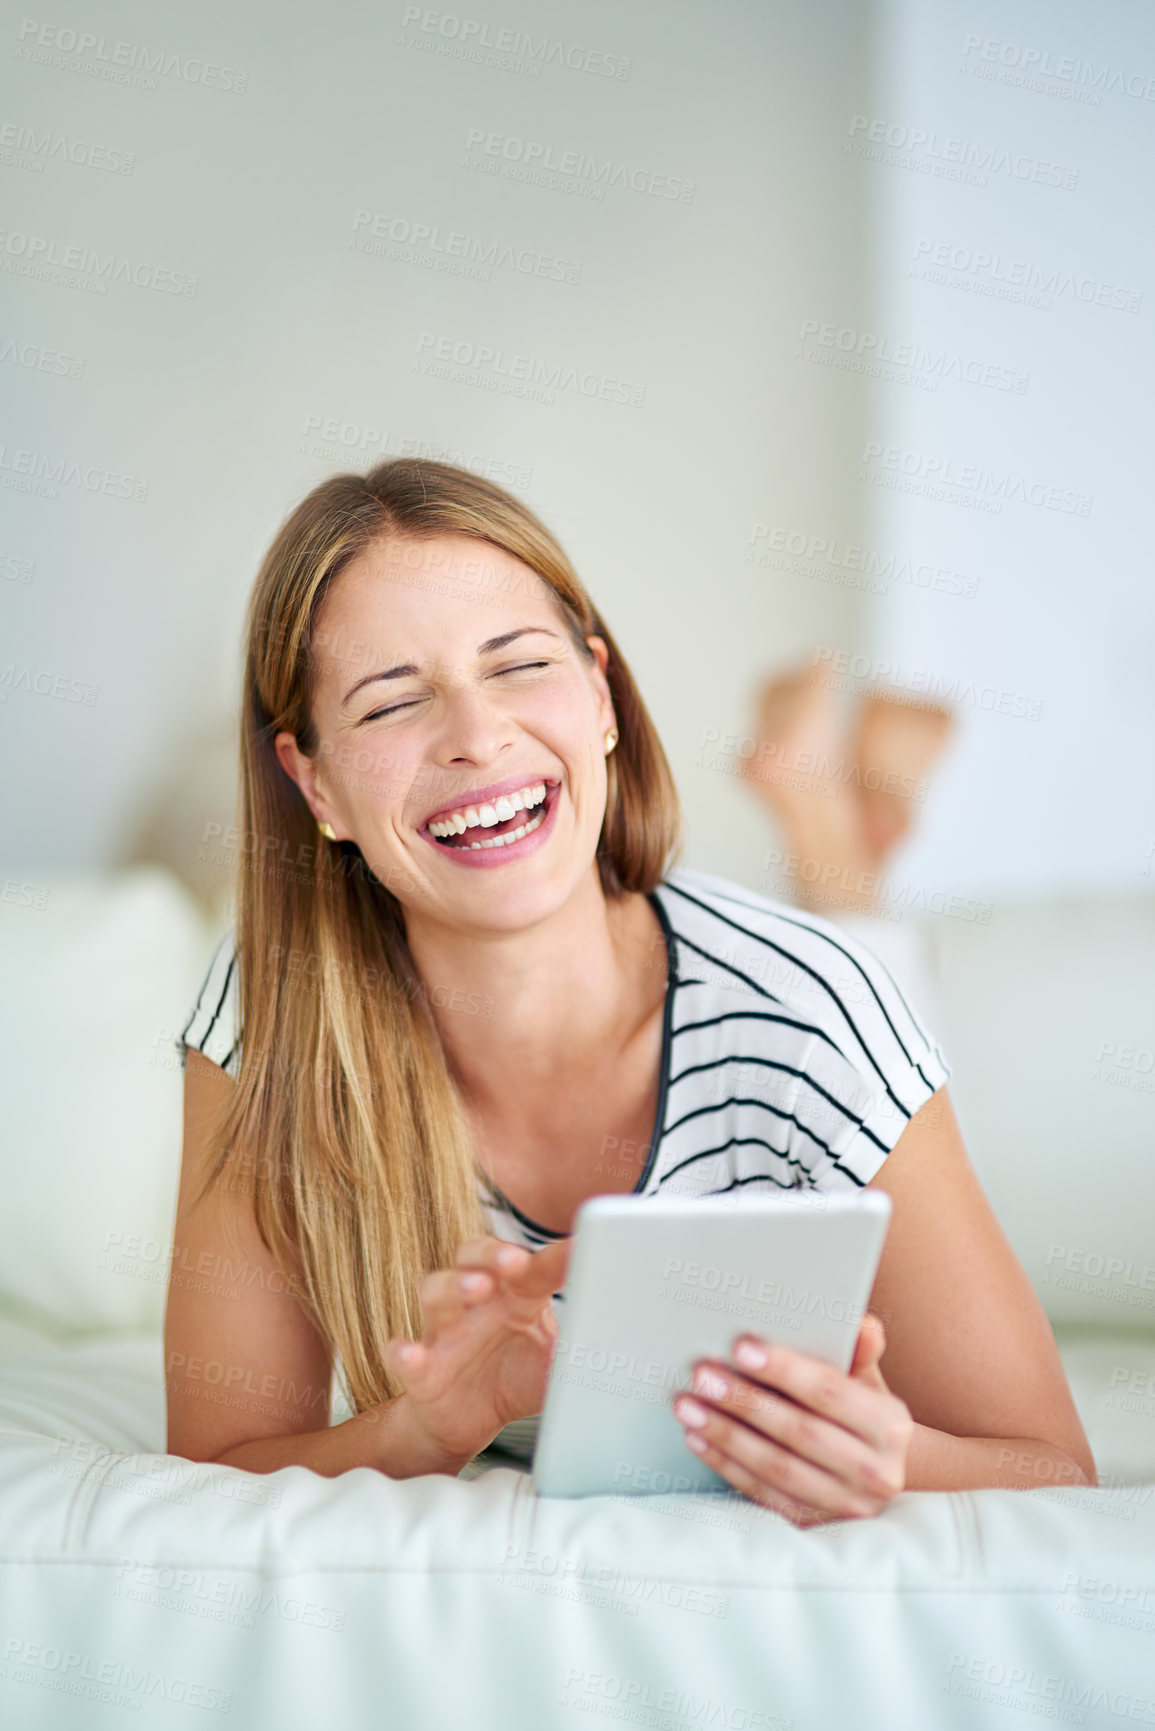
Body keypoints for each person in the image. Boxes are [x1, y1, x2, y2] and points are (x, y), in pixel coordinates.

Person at [167, 459, 1094, 1527]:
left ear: (600, 692)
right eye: (393, 702)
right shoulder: (270, 1017)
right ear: (313, 781)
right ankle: (845, 809)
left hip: (786, 994)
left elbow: (1054, 1470)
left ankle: (839, 818)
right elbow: (217, 1462)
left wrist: (894, 1457)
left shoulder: (812, 1011)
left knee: (859, 947)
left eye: (516, 666)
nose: (476, 735)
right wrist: (423, 1432)